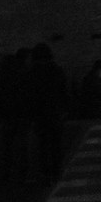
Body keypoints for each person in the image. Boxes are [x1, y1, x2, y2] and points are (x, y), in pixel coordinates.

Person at [28, 43, 70, 182]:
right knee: (56, 144)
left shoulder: (33, 72)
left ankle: (46, 173)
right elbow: (63, 91)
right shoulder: (57, 70)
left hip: (40, 113)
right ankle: (57, 171)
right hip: (55, 111)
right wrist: (64, 108)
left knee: (43, 144)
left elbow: (30, 94)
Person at [0, 49, 31, 185]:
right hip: (20, 115)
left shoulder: (3, 79)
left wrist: (1, 113)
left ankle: (6, 174)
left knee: (7, 147)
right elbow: (25, 96)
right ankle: (22, 174)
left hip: (7, 116)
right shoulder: (22, 76)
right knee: (21, 147)